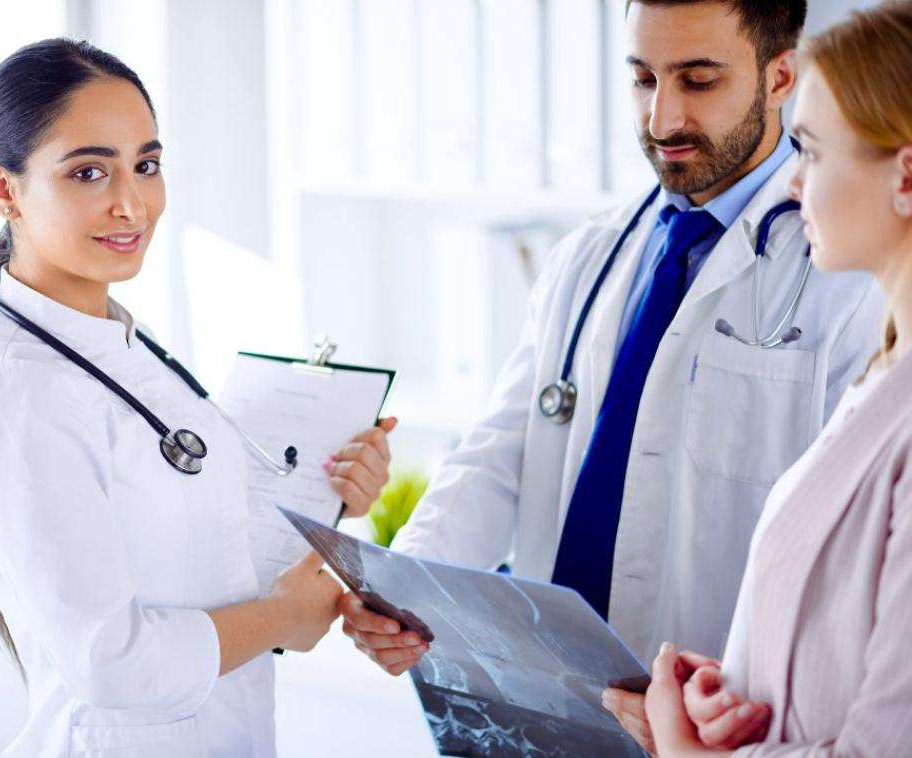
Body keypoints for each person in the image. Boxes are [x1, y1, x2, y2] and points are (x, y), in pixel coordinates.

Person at [340, 0, 885, 746]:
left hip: (717, 721)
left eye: (697, 81)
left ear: (780, 74)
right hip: (542, 703)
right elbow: (500, 453)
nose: (662, 119)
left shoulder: (853, 278)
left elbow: (843, 556)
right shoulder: (589, 256)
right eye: (641, 79)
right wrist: (407, 589)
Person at [0, 39, 394, 757]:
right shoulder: (13, 395)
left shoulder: (120, 347)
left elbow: (207, 563)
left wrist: (333, 496)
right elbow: (111, 661)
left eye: (146, 164)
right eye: (89, 171)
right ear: (3, 189)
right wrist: (281, 619)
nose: (131, 202)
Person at [644, 3, 912, 754]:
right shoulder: (884, 375)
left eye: (814, 151)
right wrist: (745, 686)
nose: (793, 183)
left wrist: (685, 749)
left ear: (907, 177)